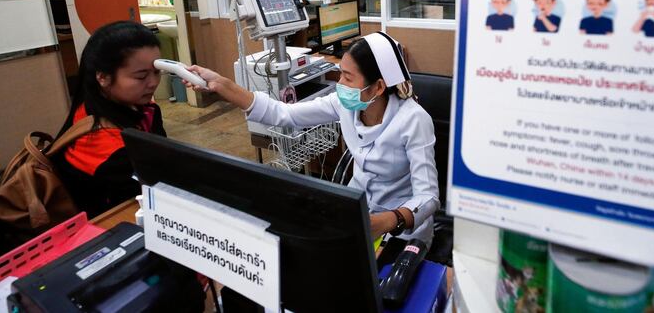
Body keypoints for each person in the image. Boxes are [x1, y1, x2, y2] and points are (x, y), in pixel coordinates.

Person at [185, 32, 440, 246]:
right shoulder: (346, 104)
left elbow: (428, 197)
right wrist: (224, 86)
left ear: (378, 87)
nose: (340, 84)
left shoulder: (413, 121)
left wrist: (387, 221)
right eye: (341, 74)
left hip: (401, 229)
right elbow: (283, 113)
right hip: (356, 212)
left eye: (348, 78)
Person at [53, 21, 166, 218]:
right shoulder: (98, 142)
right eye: (141, 77)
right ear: (103, 78)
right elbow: (151, 190)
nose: (153, 82)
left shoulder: (143, 109)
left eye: (156, 71)